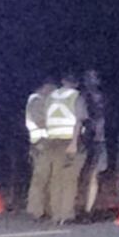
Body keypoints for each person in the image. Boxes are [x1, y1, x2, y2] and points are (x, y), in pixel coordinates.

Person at [45, 72, 89, 225]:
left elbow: (46, 118)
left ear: (62, 81)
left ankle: (55, 214)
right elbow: (79, 121)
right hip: (69, 140)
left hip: (53, 141)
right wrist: (74, 143)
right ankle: (67, 214)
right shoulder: (76, 96)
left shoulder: (51, 97)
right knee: (70, 179)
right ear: (76, 83)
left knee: (56, 178)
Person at [25, 77, 58, 220]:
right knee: (41, 178)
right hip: (41, 144)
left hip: (46, 143)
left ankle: (46, 209)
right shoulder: (36, 101)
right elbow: (40, 122)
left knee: (49, 178)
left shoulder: (43, 101)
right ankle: (36, 210)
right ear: (46, 87)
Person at [80, 69, 108, 216]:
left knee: (94, 174)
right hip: (85, 141)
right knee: (83, 174)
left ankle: (88, 209)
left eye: (95, 77)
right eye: (90, 77)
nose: (93, 80)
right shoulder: (82, 98)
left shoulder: (102, 98)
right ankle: (83, 207)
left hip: (99, 140)